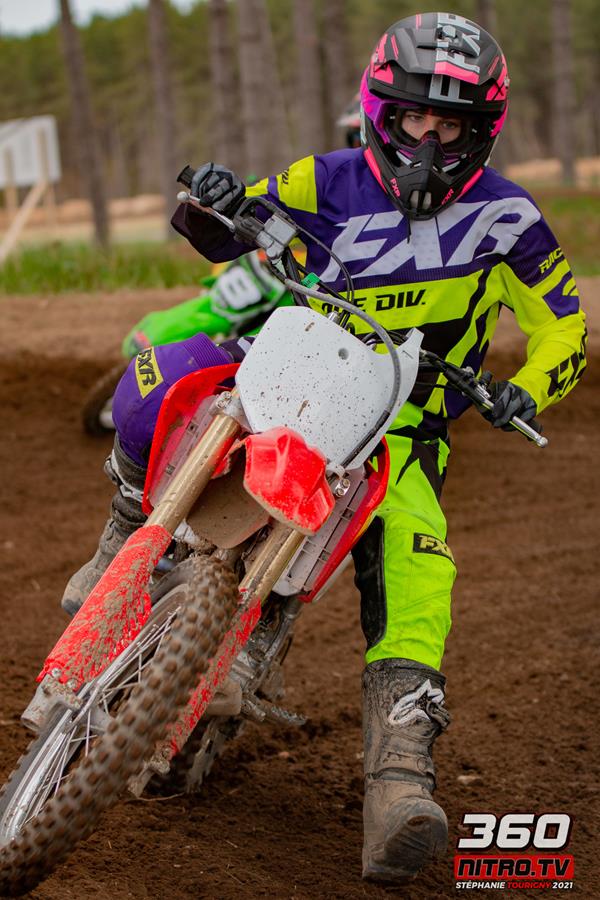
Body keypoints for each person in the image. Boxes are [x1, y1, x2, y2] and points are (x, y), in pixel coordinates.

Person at [62, 11, 586, 884]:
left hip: (404, 433)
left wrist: (527, 388)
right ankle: (119, 536)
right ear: (381, 110)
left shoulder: (509, 217)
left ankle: (399, 780)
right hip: (293, 383)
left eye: (451, 126)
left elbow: (563, 325)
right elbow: (227, 228)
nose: (429, 140)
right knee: (164, 372)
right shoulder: (326, 178)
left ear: (481, 131)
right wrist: (214, 201)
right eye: (416, 117)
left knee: (420, 564)